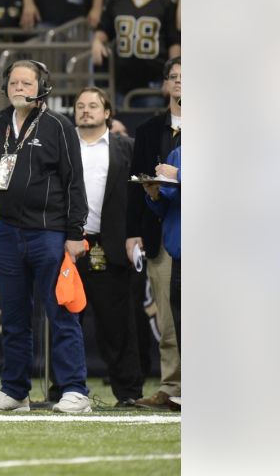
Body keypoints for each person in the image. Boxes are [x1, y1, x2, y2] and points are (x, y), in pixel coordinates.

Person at [0, 60, 91, 413]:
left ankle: (75, 390)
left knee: (61, 312)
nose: (19, 88)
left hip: (49, 233)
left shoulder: (58, 126)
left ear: (42, 88)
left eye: (26, 82)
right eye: (13, 82)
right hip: (6, 232)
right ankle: (15, 391)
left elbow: (73, 182)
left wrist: (73, 232)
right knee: (13, 316)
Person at [72, 87, 145, 408]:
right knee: (65, 323)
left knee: (117, 325)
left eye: (93, 105)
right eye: (80, 106)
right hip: (67, 245)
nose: (86, 110)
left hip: (111, 245)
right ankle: (66, 389)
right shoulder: (60, 146)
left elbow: (142, 195)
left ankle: (128, 392)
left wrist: (136, 234)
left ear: (107, 113)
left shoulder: (126, 147)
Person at [128, 57, 182, 411]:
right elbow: (136, 185)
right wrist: (133, 232)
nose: (180, 83)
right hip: (165, 233)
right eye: (174, 77)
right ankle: (171, 386)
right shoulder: (149, 130)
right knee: (167, 315)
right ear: (164, 85)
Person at [92, 0, 180, 101]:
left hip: (154, 85)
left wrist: (172, 76)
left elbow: (174, 42)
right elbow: (104, 29)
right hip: (120, 85)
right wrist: (97, 41)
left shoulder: (167, 0)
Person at [142, 144, 181, 350]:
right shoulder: (178, 153)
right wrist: (155, 194)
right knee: (183, 331)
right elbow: (167, 207)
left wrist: (179, 174)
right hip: (180, 258)